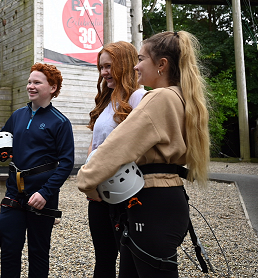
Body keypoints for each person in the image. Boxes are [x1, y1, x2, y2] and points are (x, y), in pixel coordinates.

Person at [77, 31, 210, 277]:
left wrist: (87, 180)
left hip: (152, 203)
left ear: (162, 65)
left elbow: (118, 146)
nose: (136, 66)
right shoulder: (182, 96)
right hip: (165, 199)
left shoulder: (158, 98)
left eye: (141, 59)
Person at [0, 62, 75, 278]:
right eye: (29, 82)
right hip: (14, 195)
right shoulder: (18, 115)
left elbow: (66, 163)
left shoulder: (60, 122)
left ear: (52, 88)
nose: (30, 86)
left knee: (38, 252)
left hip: (42, 197)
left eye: (37, 82)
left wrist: (45, 193)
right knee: (9, 248)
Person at [86, 41, 146, 278]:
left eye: (109, 66)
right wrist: (89, 176)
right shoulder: (107, 100)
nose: (103, 73)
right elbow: (96, 142)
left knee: (129, 262)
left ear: (125, 64)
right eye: (101, 67)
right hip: (98, 194)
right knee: (103, 259)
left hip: (125, 194)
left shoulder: (140, 97)